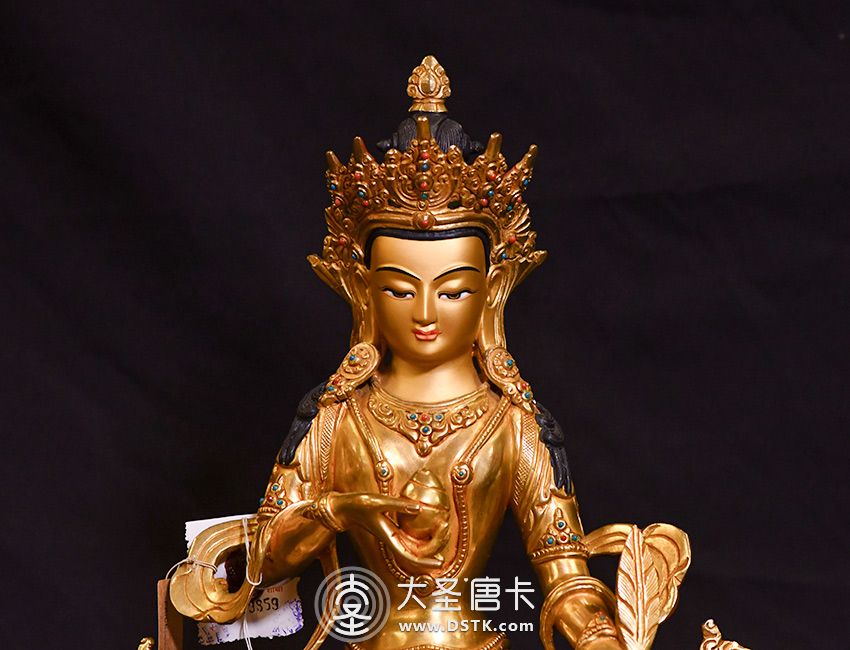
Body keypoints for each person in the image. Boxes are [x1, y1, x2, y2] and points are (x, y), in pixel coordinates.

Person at [169, 56, 690, 650]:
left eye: (452, 290)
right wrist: (341, 510)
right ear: (363, 290)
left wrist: (597, 636)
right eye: (398, 289)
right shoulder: (335, 419)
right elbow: (265, 560)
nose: (424, 312)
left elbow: (565, 578)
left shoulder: (515, 426)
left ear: (492, 291)